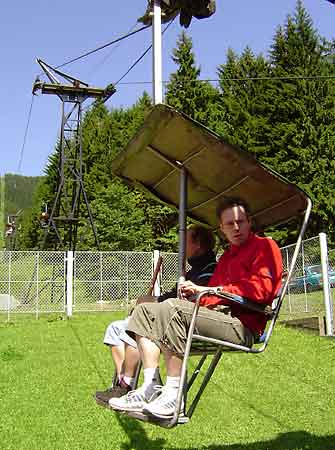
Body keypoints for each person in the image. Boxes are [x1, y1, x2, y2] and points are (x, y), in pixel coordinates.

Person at [108, 197, 283, 418]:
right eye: (230, 224)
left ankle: (174, 396)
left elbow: (263, 290)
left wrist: (215, 290)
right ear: (222, 228)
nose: (236, 227)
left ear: (249, 222)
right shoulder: (228, 257)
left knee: (173, 307)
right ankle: (149, 385)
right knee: (144, 311)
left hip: (243, 326)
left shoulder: (265, 246)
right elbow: (210, 298)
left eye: (241, 221)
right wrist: (199, 292)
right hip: (219, 318)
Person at [95, 224, 217, 404]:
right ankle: (126, 380)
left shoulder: (209, 270)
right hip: (171, 313)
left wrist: (154, 302)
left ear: (197, 244)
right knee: (114, 329)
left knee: (134, 323)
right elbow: (174, 295)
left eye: (184, 242)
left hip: (184, 322)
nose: (180, 247)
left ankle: (126, 386)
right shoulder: (194, 270)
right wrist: (152, 299)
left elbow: (190, 301)